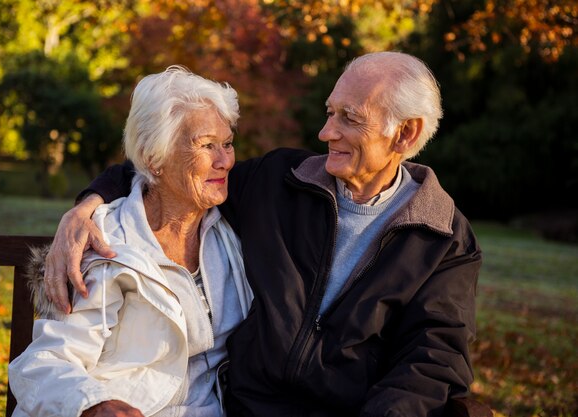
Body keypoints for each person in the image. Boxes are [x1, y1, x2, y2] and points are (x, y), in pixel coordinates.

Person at [45, 51, 482, 416]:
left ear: (405, 133)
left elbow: (433, 360)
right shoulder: (280, 180)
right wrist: (87, 205)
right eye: (330, 112)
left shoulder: (444, 239)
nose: (325, 132)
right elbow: (166, 172)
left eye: (350, 118)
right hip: (240, 410)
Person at [8, 66, 253, 417]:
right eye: (207, 146)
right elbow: (47, 360)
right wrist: (93, 406)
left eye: (227, 144)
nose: (225, 161)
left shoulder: (232, 232)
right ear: (155, 160)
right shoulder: (106, 240)